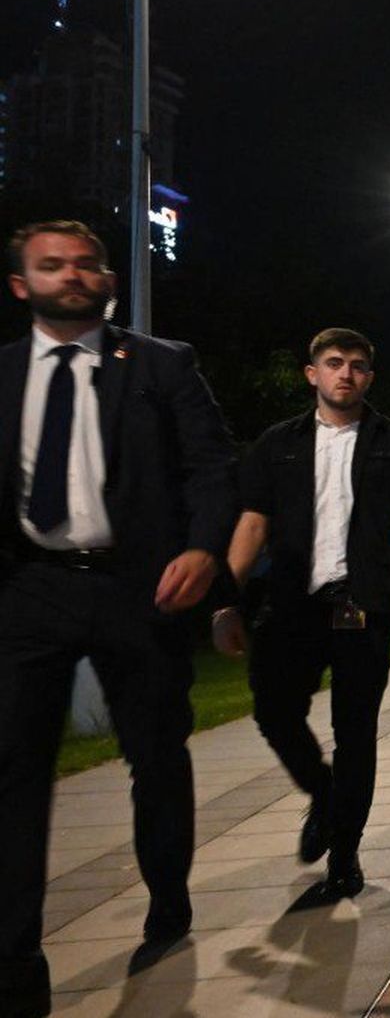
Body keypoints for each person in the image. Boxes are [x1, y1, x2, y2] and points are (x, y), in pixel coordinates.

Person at [0, 220, 237, 1010]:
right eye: (52, 265)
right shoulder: (5, 374)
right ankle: (16, 965)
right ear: (21, 284)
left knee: (157, 756)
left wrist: (204, 551)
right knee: (15, 773)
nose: (71, 275)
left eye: (86, 264)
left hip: (139, 588)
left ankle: (167, 897)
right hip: (31, 588)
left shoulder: (162, 365)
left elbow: (212, 467)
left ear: (107, 279)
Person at [213, 328, 390, 907]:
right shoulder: (278, 443)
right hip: (292, 603)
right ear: (311, 373)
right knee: (273, 711)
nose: (346, 373)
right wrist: (225, 601)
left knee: (355, 732)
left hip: (358, 603)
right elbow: (252, 522)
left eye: (358, 365)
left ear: (370, 377)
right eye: (334, 363)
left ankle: (344, 859)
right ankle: (323, 791)